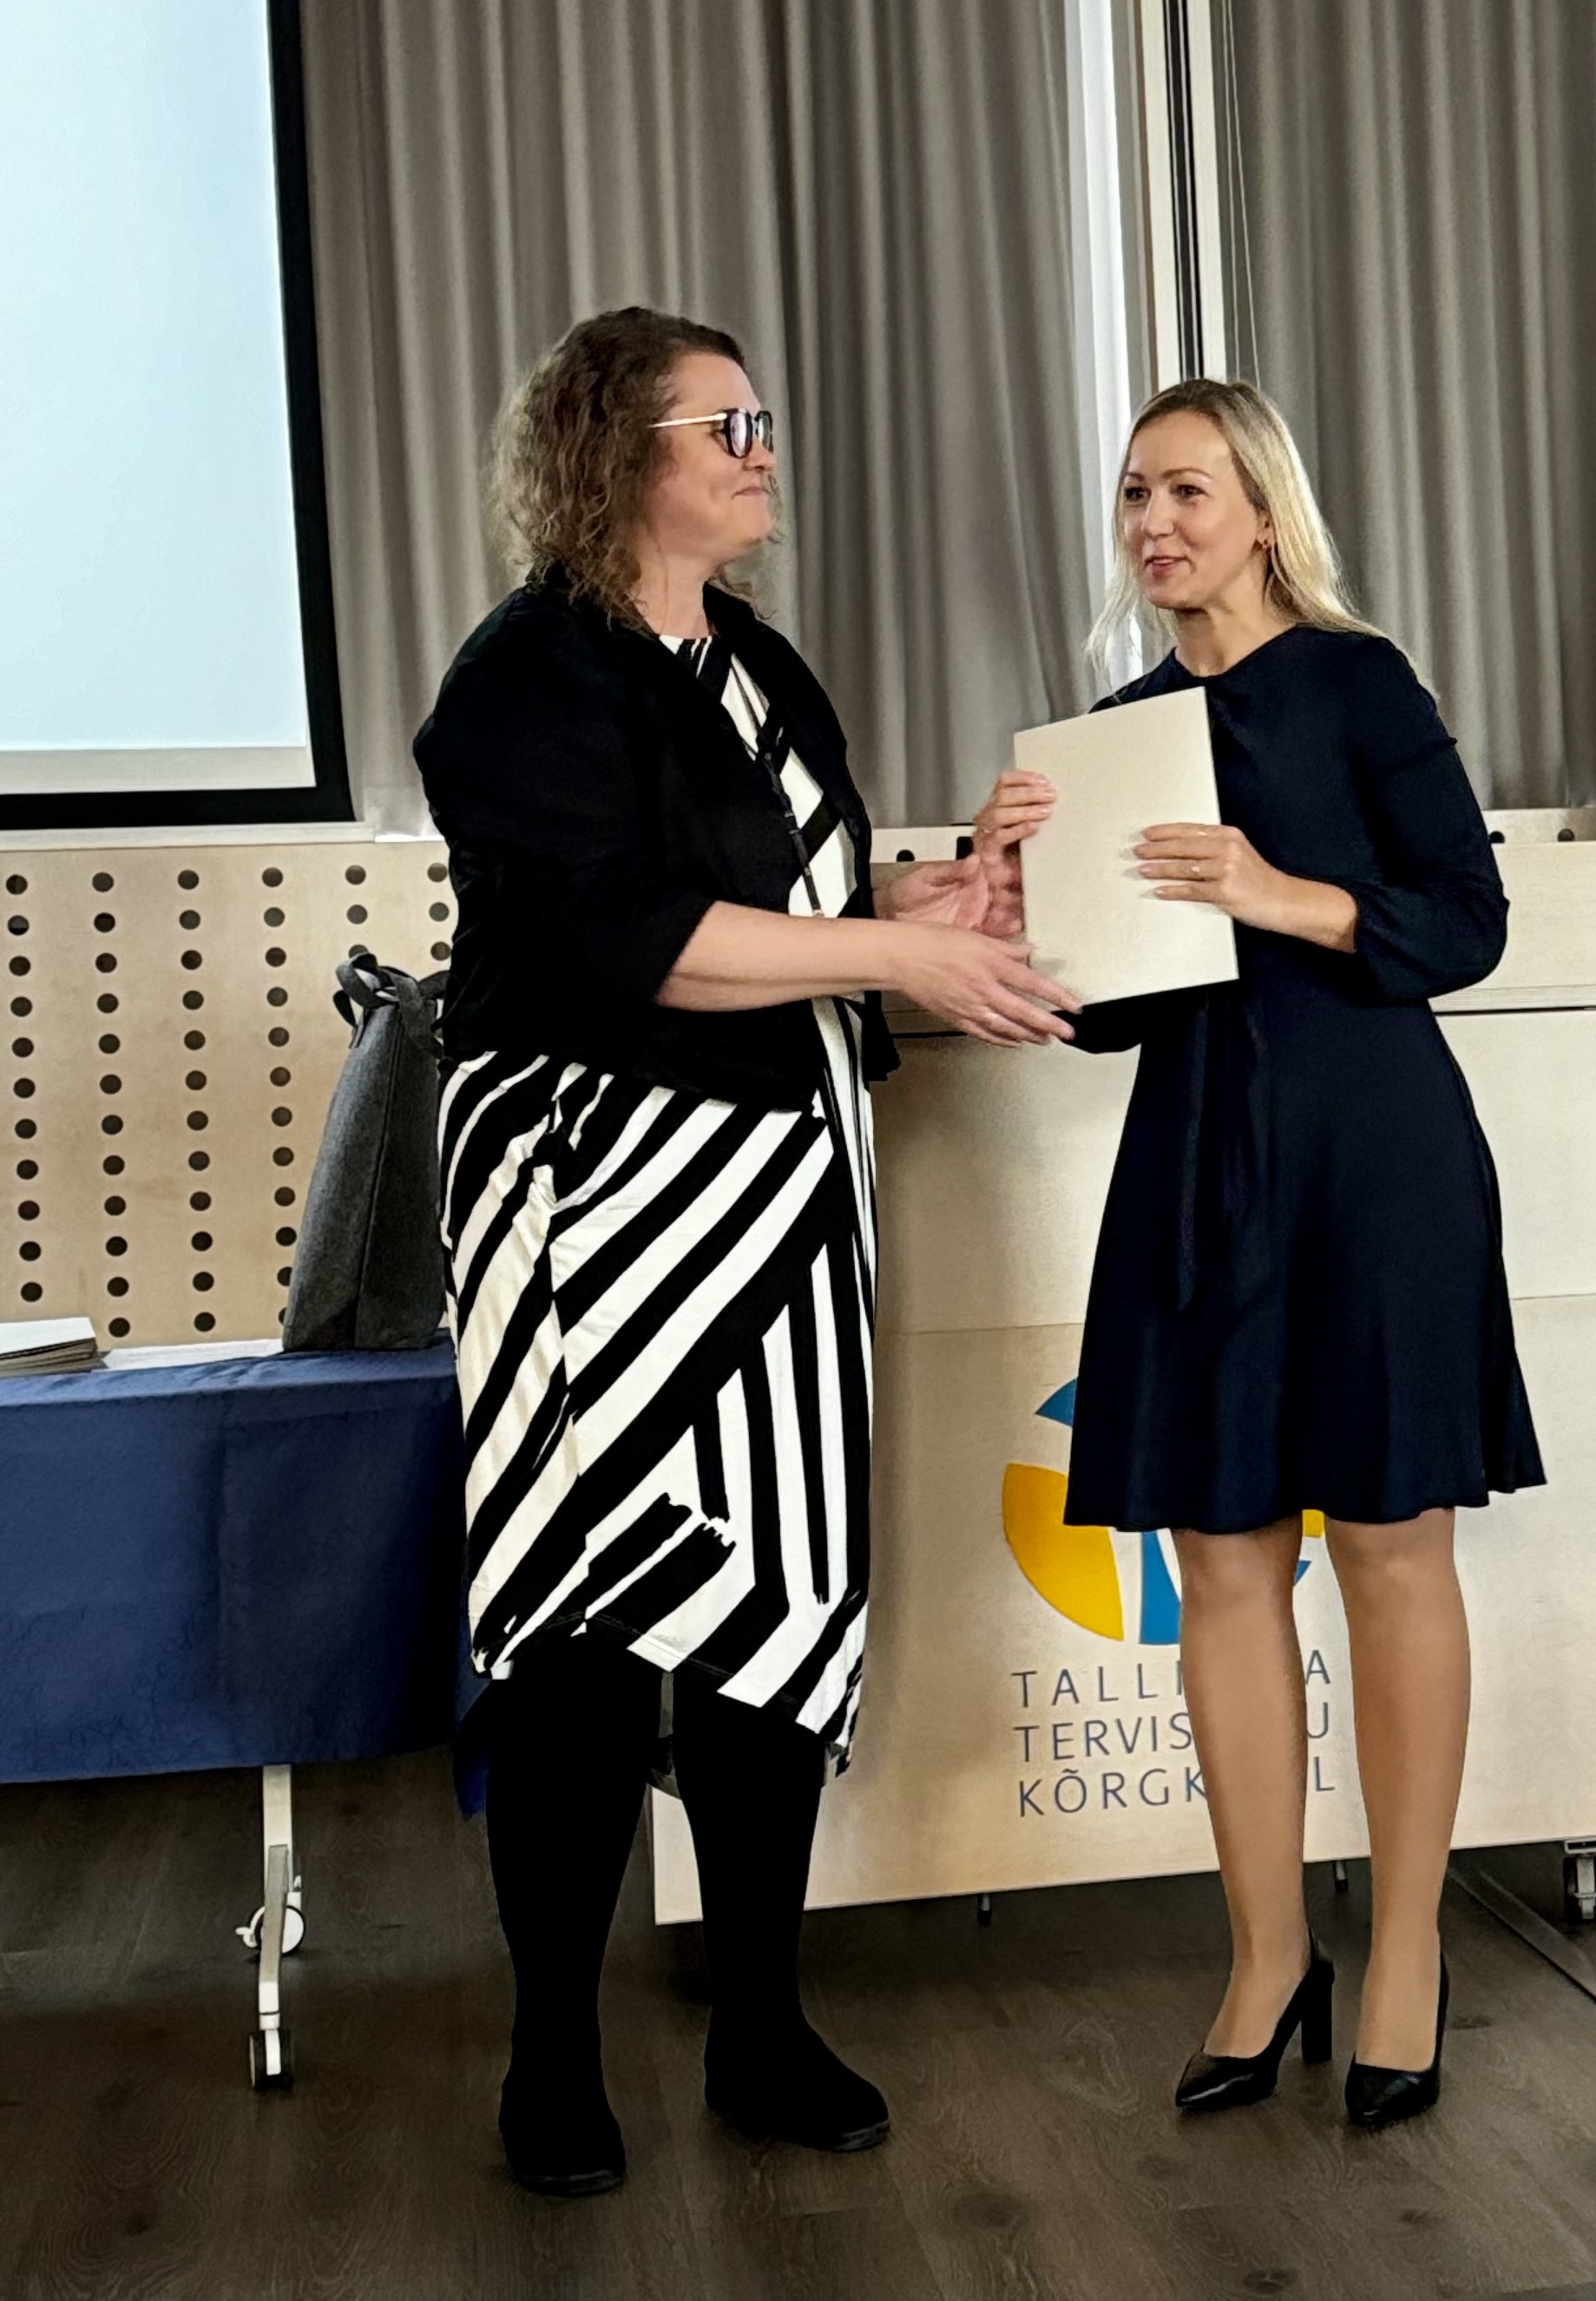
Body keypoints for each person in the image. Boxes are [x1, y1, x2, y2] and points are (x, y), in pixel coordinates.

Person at [414, 306, 1078, 2198]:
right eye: (728, 424)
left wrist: (932, 893)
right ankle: (551, 2059)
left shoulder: (757, 663)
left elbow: (789, 900)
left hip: (786, 1193)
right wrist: (893, 952)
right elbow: (633, 935)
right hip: (592, 1202)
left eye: (760, 418)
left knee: (776, 1615)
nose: (762, 447)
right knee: (575, 1626)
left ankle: (762, 2022)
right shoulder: (523, 677)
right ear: (617, 452)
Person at [974, 378, 1543, 2132]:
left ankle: (1406, 1956)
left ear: (1263, 510)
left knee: (1389, 1546)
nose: (1154, 524)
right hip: (1198, 1163)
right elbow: (1104, 1015)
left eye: (1188, 491)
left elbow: (1467, 920)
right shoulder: (1107, 737)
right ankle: (1265, 1955)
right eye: (1134, 494)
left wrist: (1269, 888)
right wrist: (1016, 905)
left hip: (1376, 1157)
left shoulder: (1361, 683)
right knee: (1218, 1561)